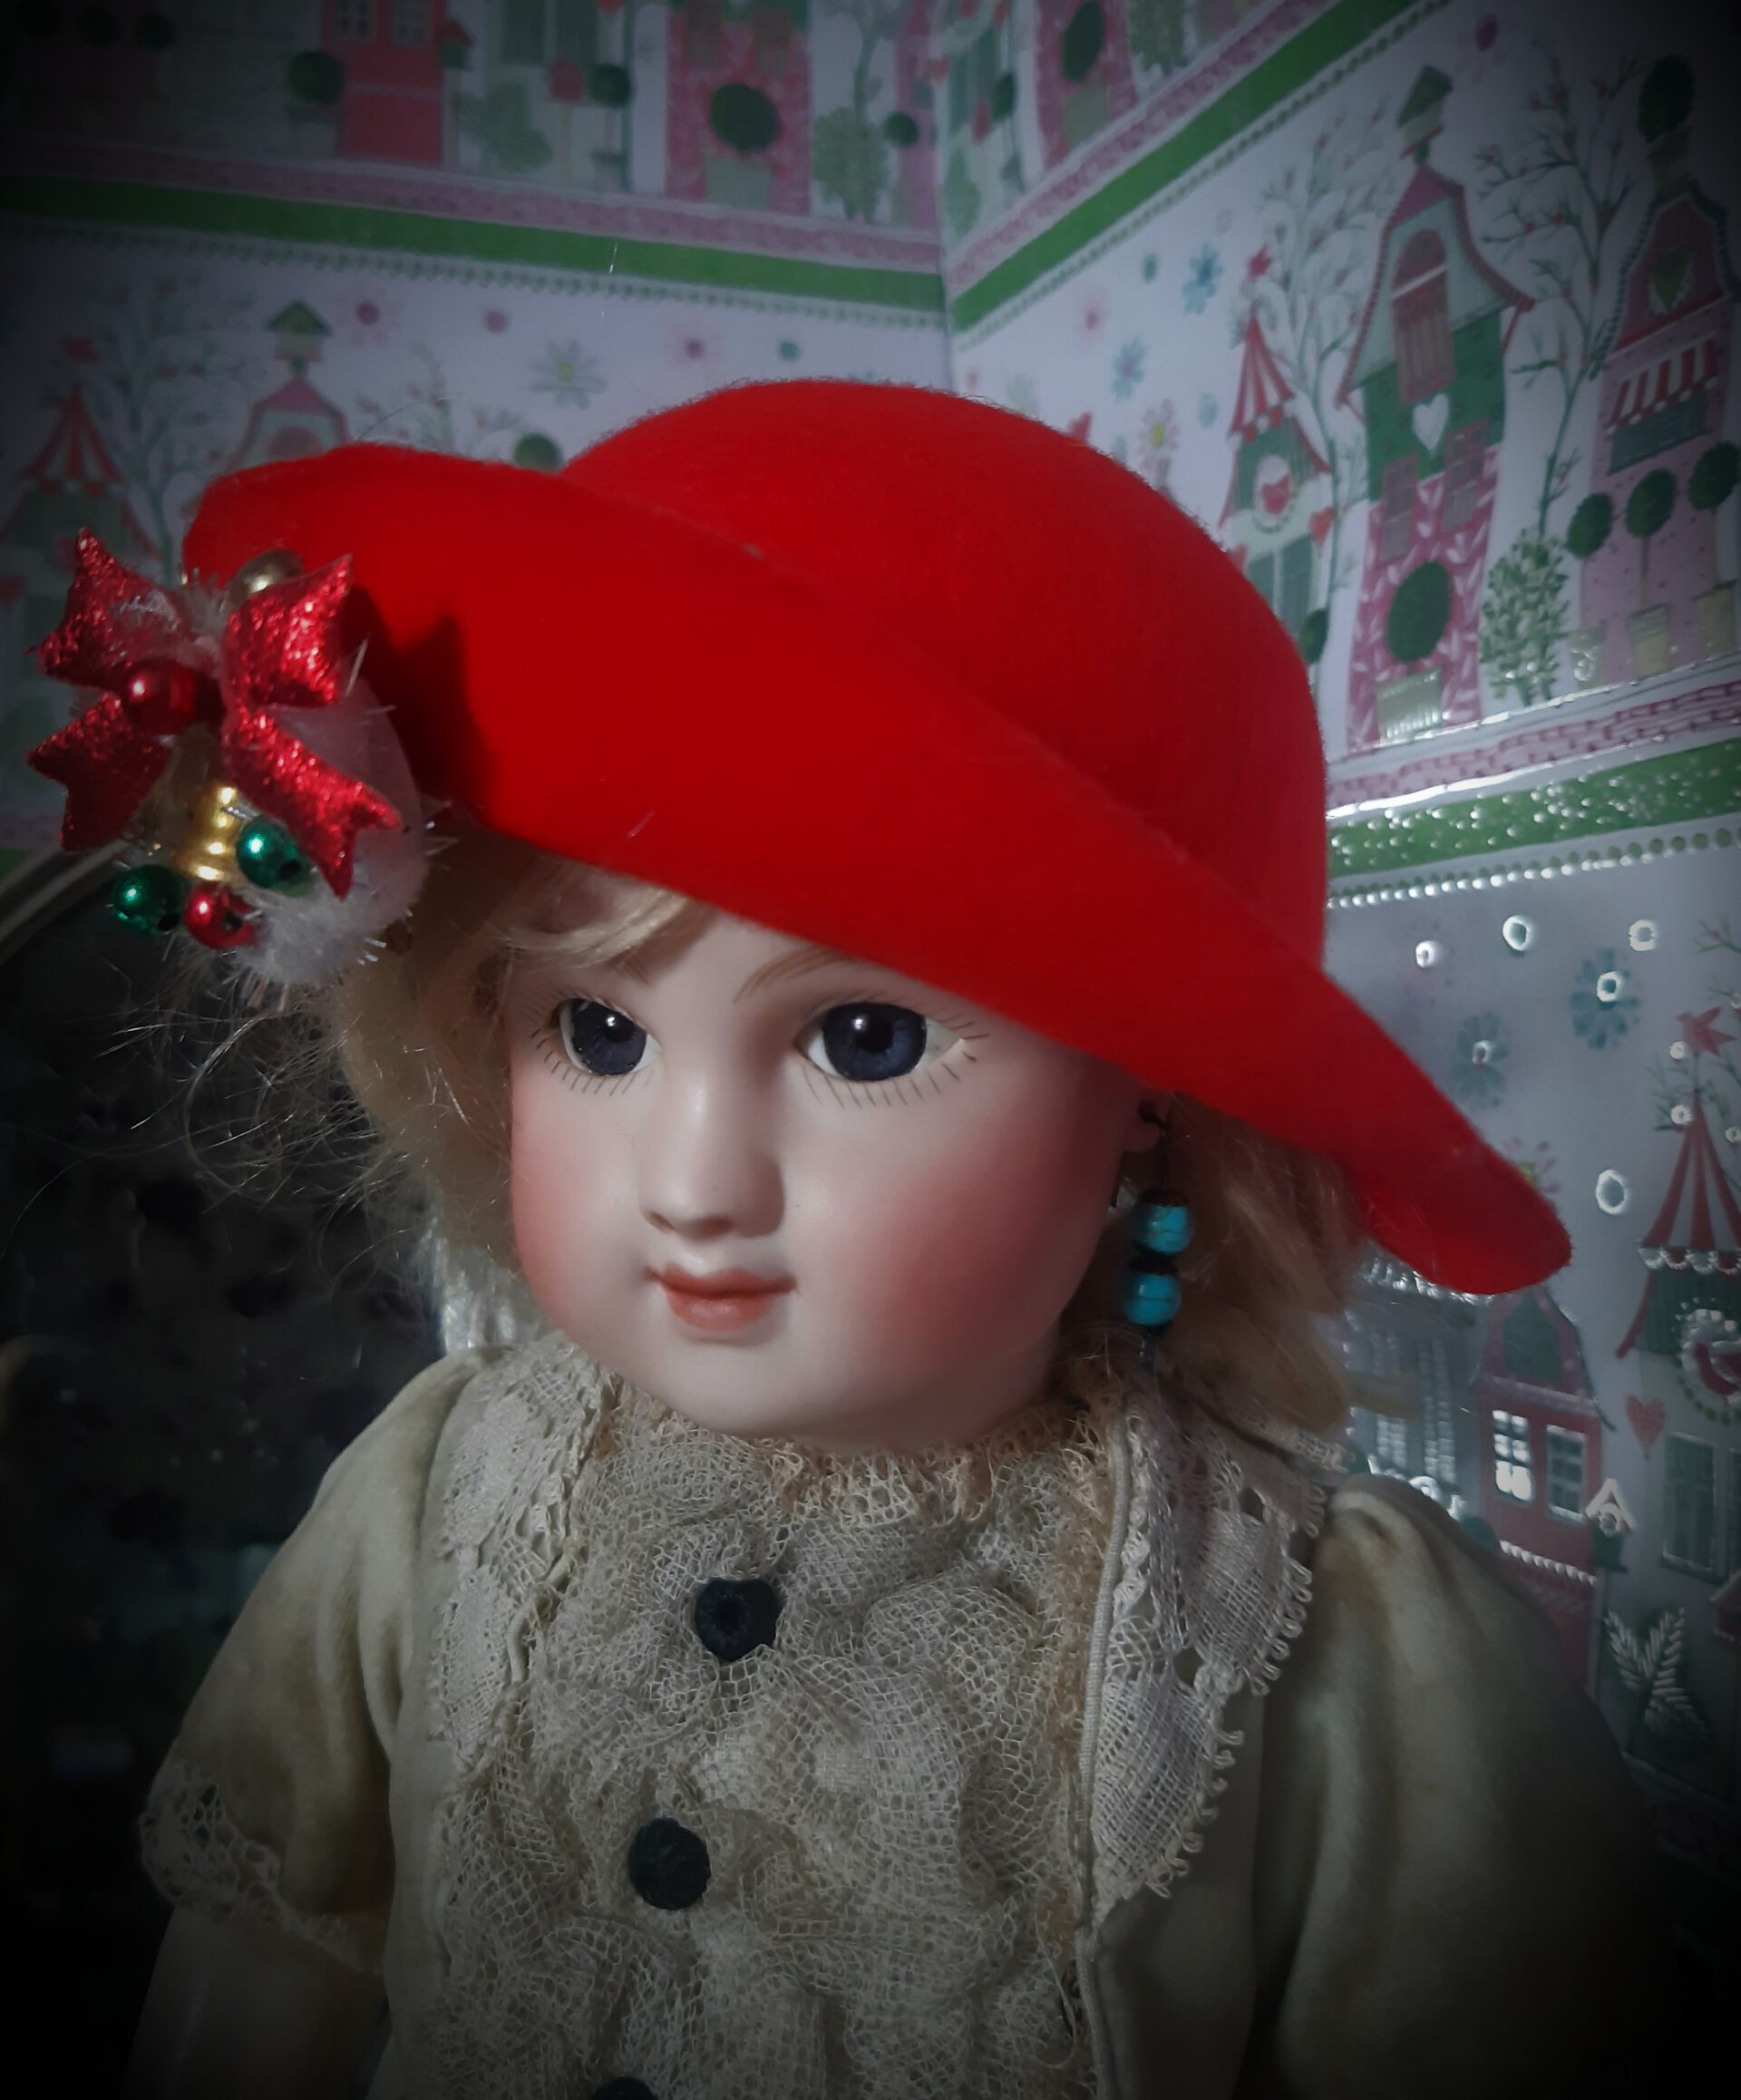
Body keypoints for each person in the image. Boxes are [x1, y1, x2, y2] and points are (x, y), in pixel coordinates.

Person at [29, 383, 1669, 2097]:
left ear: (1151, 1093)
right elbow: (252, 1982)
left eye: (865, 1040)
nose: (694, 1181)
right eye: (597, 1032)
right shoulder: (436, 1495)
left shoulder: (1311, 1645)